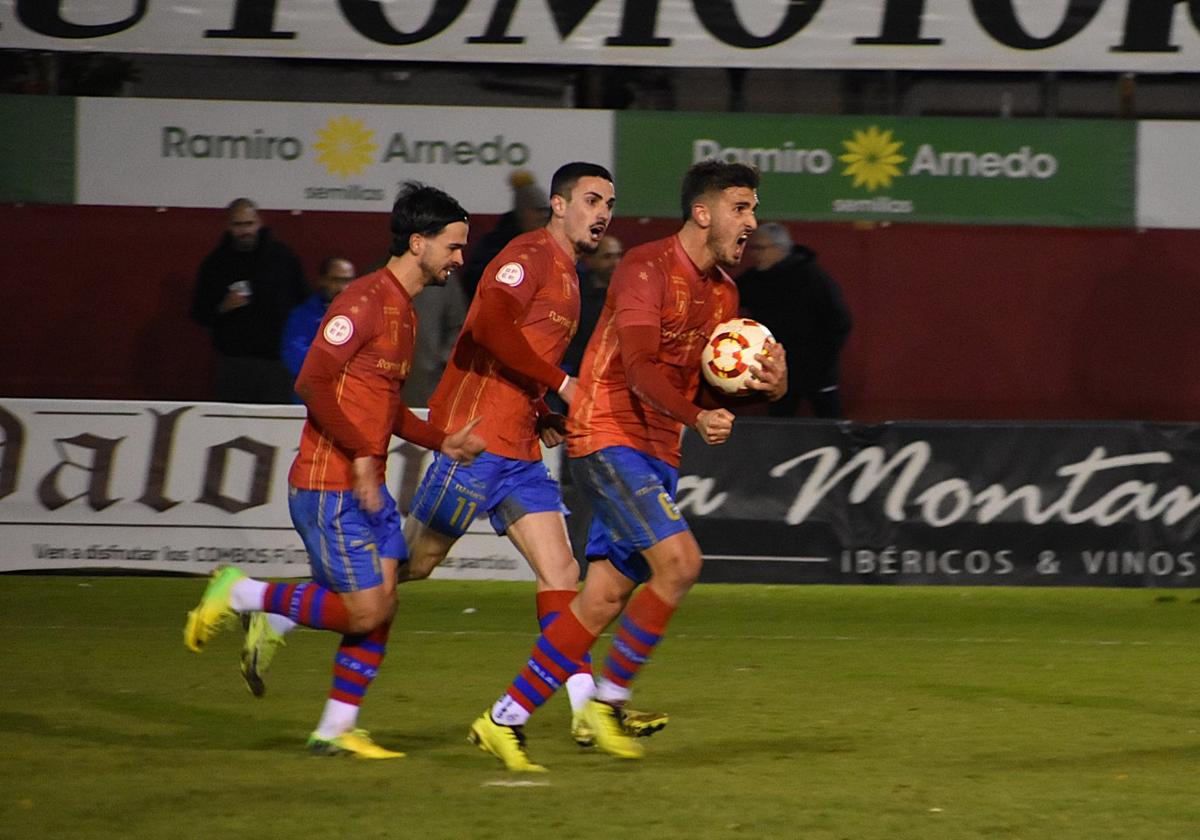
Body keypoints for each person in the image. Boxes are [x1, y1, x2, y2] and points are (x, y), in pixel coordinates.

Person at [467, 160, 788, 772]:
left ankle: (502, 718)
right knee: (681, 563)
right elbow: (639, 371)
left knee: (602, 599)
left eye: (752, 209)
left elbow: (709, 384)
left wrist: (769, 383)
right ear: (703, 212)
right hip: (608, 433)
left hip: (659, 448)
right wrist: (697, 417)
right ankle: (607, 704)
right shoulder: (647, 268)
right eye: (741, 209)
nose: (752, 222)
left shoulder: (724, 291)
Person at [182, 182, 486, 759]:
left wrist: (440, 440)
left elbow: (384, 404)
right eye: (453, 246)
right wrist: (365, 454)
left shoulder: (404, 311)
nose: (459, 257)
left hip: (365, 486)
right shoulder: (365, 300)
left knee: (385, 599)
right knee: (365, 607)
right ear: (418, 243)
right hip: (329, 484)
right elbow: (312, 381)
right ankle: (244, 592)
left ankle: (337, 727)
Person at [400, 162, 665, 748]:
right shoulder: (530, 253)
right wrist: (562, 384)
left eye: (610, 204)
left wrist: (542, 409)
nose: (603, 213)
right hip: (475, 440)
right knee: (411, 567)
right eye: (592, 200)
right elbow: (489, 325)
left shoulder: (569, 273)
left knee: (562, 575)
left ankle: (581, 710)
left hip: (518, 448)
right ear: (559, 205)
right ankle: (267, 600)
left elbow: (515, 351)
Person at [190, 198, 310, 403]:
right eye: (238, 225)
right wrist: (222, 307)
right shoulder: (215, 263)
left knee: (274, 427)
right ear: (228, 226)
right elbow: (198, 312)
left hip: (277, 362)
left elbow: (304, 301)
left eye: (249, 224)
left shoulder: (283, 257)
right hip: (234, 363)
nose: (245, 230)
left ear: (259, 223)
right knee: (230, 427)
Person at [738, 223, 852, 418]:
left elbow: (840, 320)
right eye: (752, 248)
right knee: (779, 422)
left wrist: (823, 357)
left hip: (817, 369)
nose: (754, 254)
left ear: (780, 248)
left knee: (830, 423)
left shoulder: (812, 277)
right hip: (779, 368)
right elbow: (726, 295)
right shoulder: (754, 280)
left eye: (760, 248)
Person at [460, 169, 551, 302]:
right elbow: (476, 283)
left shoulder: (550, 244)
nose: (543, 216)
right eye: (537, 210)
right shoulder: (494, 246)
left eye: (546, 210)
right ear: (523, 211)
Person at [280, 256, 357, 398]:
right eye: (336, 280)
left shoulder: (364, 316)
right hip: (312, 400)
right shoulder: (303, 315)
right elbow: (293, 357)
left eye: (347, 281)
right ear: (322, 280)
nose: (342, 287)